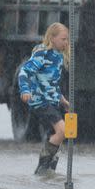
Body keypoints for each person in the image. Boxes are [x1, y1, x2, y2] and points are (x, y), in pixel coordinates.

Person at [18, 23, 70, 175]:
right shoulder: (42, 53)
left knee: (56, 136)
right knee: (63, 130)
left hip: (52, 101)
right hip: (41, 101)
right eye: (63, 39)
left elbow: (51, 83)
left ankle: (49, 172)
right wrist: (25, 90)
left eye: (67, 40)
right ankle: (42, 168)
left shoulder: (59, 57)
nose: (66, 43)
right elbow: (24, 71)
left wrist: (62, 99)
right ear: (52, 38)